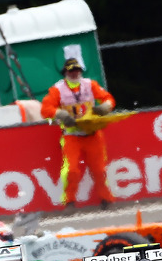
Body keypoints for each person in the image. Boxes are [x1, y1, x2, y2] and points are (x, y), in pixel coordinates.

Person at [40, 57, 116, 210]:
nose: (75, 73)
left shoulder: (90, 84)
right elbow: (45, 109)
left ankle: (106, 200)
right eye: (71, 71)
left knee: (100, 169)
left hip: (92, 133)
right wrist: (61, 114)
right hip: (71, 135)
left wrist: (105, 107)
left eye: (77, 70)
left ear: (81, 71)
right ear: (65, 72)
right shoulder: (57, 89)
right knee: (72, 169)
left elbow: (108, 98)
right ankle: (69, 201)